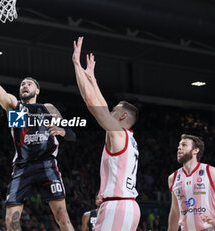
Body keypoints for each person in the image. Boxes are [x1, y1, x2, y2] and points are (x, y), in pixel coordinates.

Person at [0, 45, 76, 231]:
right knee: (11, 220)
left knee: (62, 217)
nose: (24, 85)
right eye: (22, 84)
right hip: (23, 166)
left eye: (29, 84)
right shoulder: (14, 107)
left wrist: (62, 131)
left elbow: (72, 135)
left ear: (37, 90)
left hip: (47, 164)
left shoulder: (48, 108)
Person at [72, 36, 140, 231]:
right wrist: (92, 79)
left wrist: (76, 65)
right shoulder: (129, 138)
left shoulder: (118, 134)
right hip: (128, 206)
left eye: (115, 110)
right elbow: (101, 104)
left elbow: (91, 102)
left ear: (123, 115)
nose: (111, 111)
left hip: (117, 205)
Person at [168, 134, 215, 231]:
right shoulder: (173, 178)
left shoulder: (210, 171)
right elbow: (175, 211)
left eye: (184, 145)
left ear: (196, 150)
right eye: (179, 145)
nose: (179, 148)